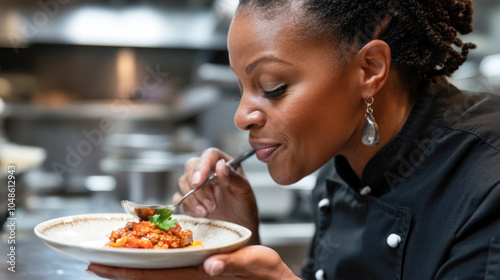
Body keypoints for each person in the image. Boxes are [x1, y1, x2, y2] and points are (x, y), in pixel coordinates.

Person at [87, 0, 500, 279]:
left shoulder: (487, 184)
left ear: (370, 69)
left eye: (273, 87)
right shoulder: (339, 162)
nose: (240, 116)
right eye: (241, 87)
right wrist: (238, 248)